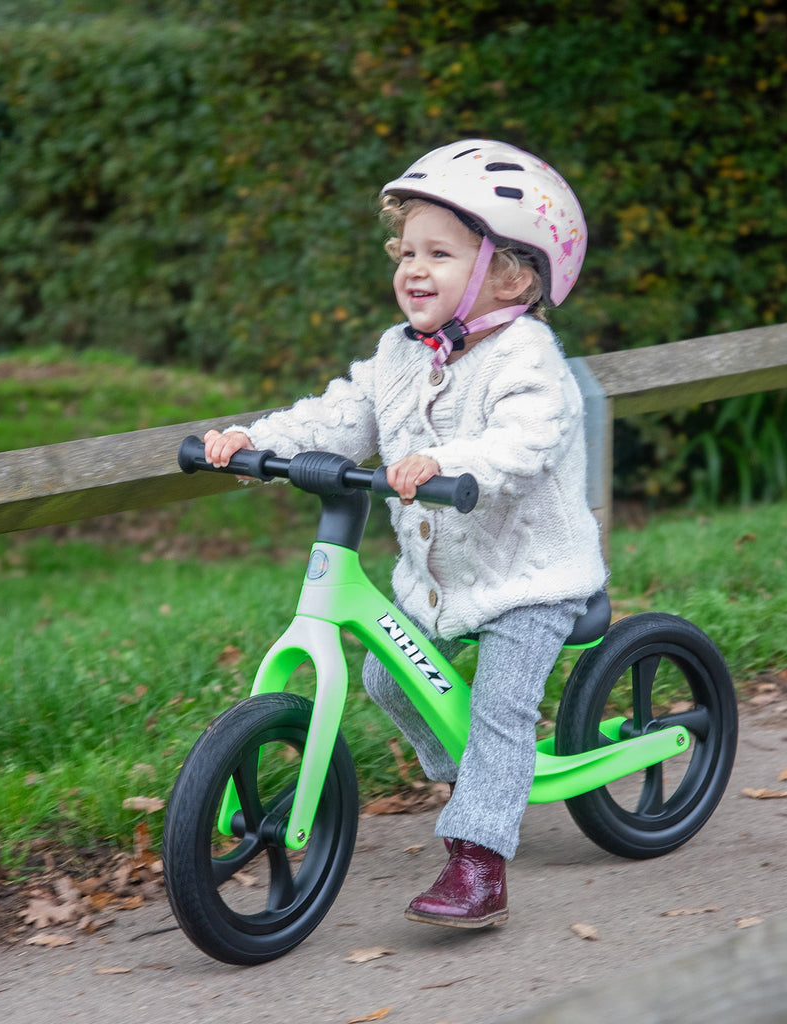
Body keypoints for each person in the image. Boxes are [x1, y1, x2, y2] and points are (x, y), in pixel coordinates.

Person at [203, 139, 606, 929]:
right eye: (407, 251)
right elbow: (340, 418)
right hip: (439, 583)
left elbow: (523, 444)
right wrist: (255, 443)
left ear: (510, 274)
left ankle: (480, 858)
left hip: (531, 580)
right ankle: (493, 781)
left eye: (441, 254)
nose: (414, 269)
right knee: (391, 678)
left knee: (497, 708)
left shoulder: (527, 356)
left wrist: (445, 461)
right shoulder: (399, 353)